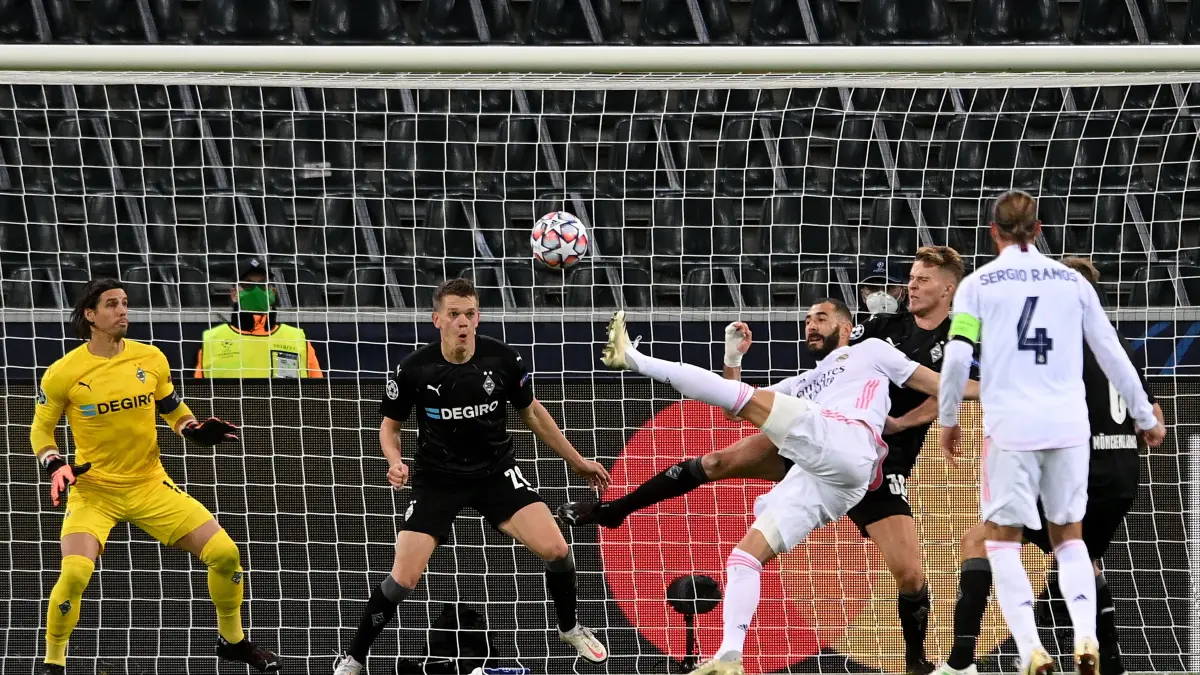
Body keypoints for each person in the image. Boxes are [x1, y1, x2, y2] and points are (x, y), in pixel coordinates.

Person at [558, 247, 971, 675]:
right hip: (822, 438)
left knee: (909, 574)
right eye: (910, 279)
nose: (910, 286)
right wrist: (733, 361)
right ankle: (616, 511)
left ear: (947, 289)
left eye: (921, 280)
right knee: (718, 467)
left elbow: (950, 387)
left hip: (877, 456)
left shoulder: (948, 341)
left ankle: (915, 660)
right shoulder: (876, 332)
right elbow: (741, 401)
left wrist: (902, 422)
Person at [334, 278, 611, 675]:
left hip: (495, 473)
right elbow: (389, 428)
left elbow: (533, 414)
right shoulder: (414, 369)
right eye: (453, 314)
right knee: (403, 578)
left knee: (557, 549)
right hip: (437, 478)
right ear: (437, 319)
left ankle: (569, 628)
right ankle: (354, 658)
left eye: (469, 314)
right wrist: (394, 461)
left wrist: (577, 460)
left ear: (478, 318)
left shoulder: (504, 360)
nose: (462, 322)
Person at [937, 191, 1165, 675]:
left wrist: (949, 418)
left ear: (993, 231)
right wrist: (1145, 417)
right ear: (1039, 229)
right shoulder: (1073, 283)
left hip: (1011, 429)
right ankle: (1086, 637)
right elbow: (1111, 353)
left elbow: (956, 357)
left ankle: (1030, 650)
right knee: (1070, 540)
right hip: (1068, 429)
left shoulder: (976, 285)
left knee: (1001, 541)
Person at [31, 278, 278, 674]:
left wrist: (193, 429)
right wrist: (54, 463)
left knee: (226, 555)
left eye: (125, 302)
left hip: (149, 485)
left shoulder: (151, 358)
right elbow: (41, 431)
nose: (122, 310)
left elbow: (173, 409)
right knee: (75, 572)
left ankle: (232, 642)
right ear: (90, 315)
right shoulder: (63, 373)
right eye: (112, 304)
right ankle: (53, 662)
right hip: (95, 492)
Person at [194, 257, 324, 378]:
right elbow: (199, 392)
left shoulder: (297, 339)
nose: (256, 291)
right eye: (248, 285)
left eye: (263, 285)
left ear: (273, 293)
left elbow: (319, 390)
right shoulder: (212, 341)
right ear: (234, 294)